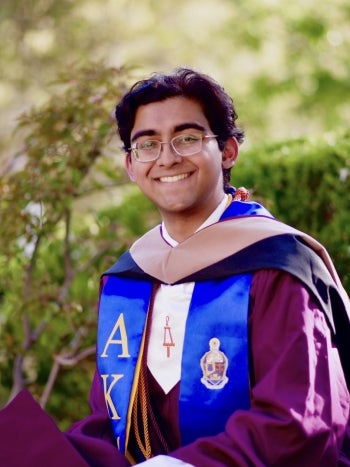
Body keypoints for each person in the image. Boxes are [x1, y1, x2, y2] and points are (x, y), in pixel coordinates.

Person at [1, 67, 349, 467]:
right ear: (131, 166)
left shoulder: (277, 266)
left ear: (228, 150)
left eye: (187, 139)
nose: (167, 158)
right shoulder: (128, 281)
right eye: (146, 145)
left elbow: (303, 421)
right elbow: (112, 426)